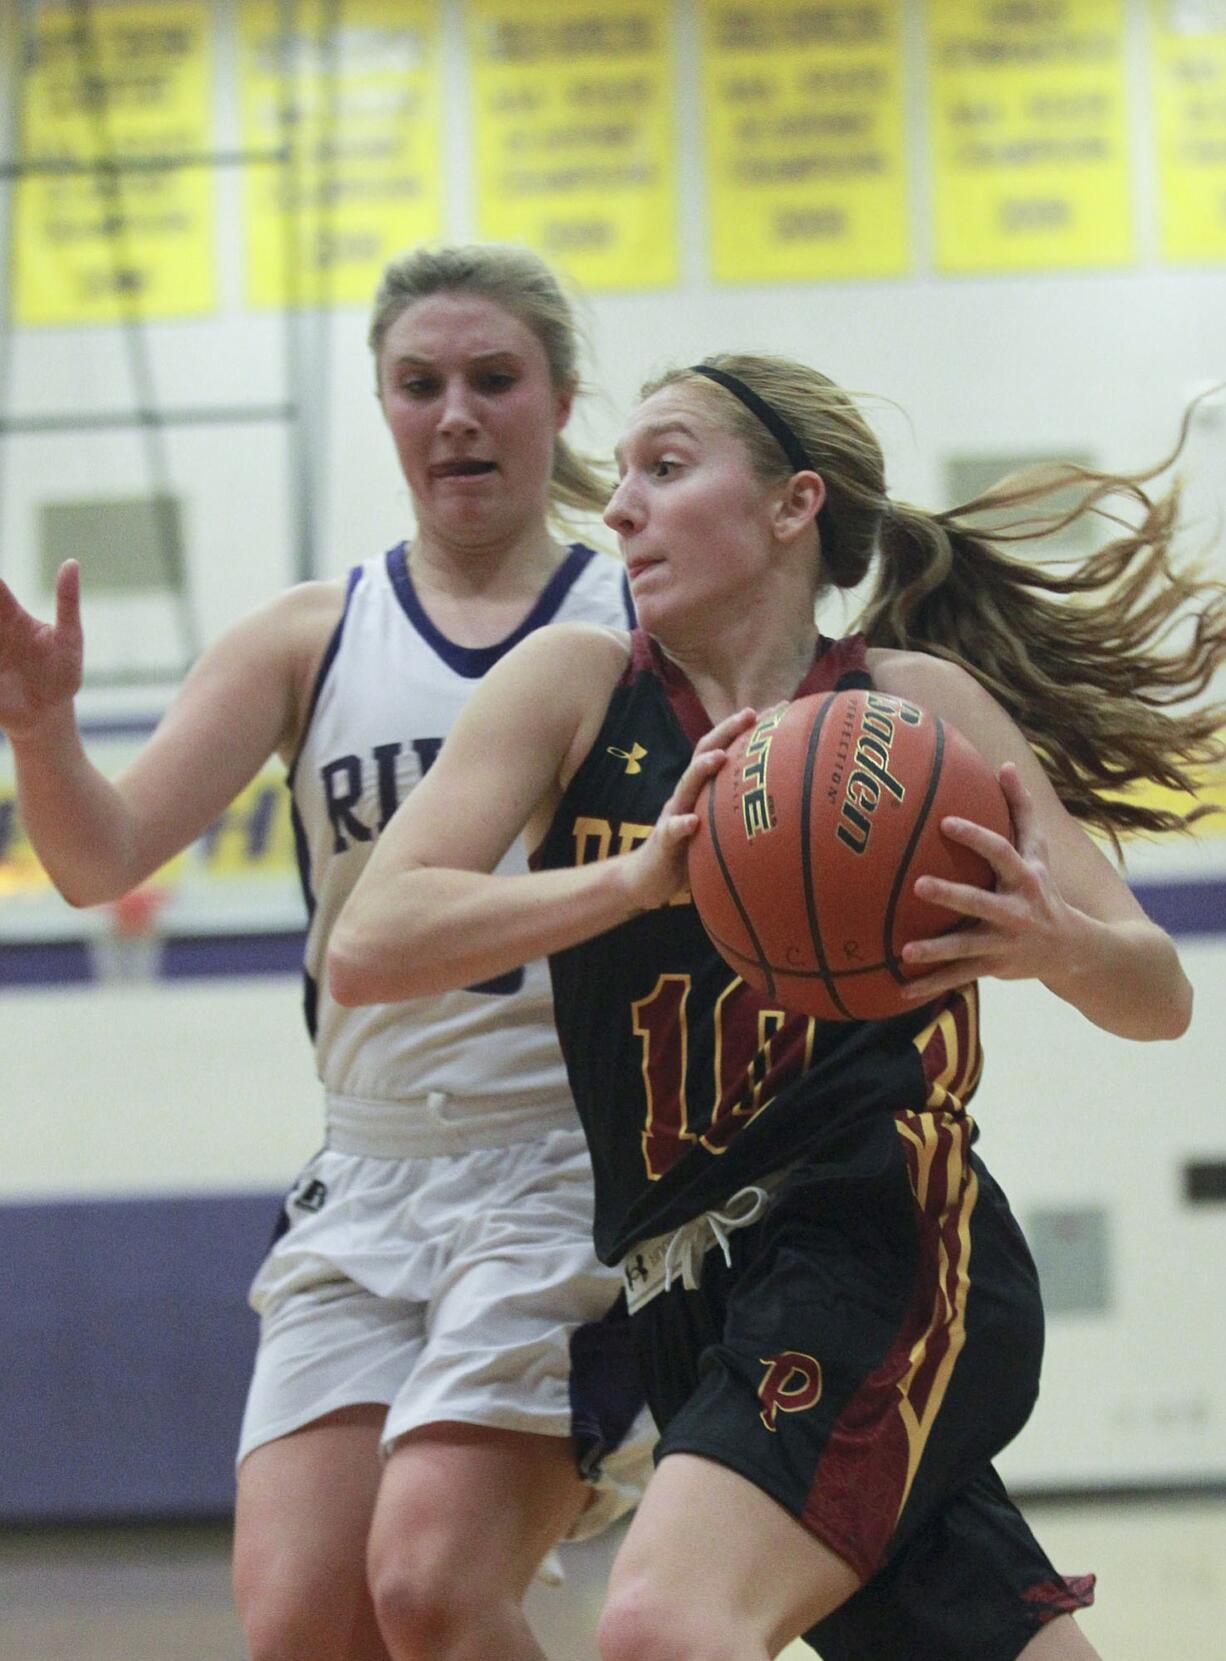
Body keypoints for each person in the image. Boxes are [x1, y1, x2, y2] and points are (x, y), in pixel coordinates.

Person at [327, 352, 1226, 1661]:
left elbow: (1155, 993)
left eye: (666, 468)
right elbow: (373, 939)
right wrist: (634, 880)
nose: (618, 507)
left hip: (880, 1237)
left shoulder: (914, 710)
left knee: (662, 1625)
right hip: (681, 1288)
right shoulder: (573, 691)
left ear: (792, 504)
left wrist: (1050, 940)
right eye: (619, 476)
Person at [0, 243, 655, 1661]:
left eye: (493, 379)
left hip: (567, 1161)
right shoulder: (313, 632)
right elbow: (96, 858)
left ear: (558, 400)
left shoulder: (640, 626)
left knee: (426, 1585)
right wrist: (45, 733)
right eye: (419, 384)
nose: (457, 414)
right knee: (302, 1616)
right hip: (367, 1165)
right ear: (382, 405)